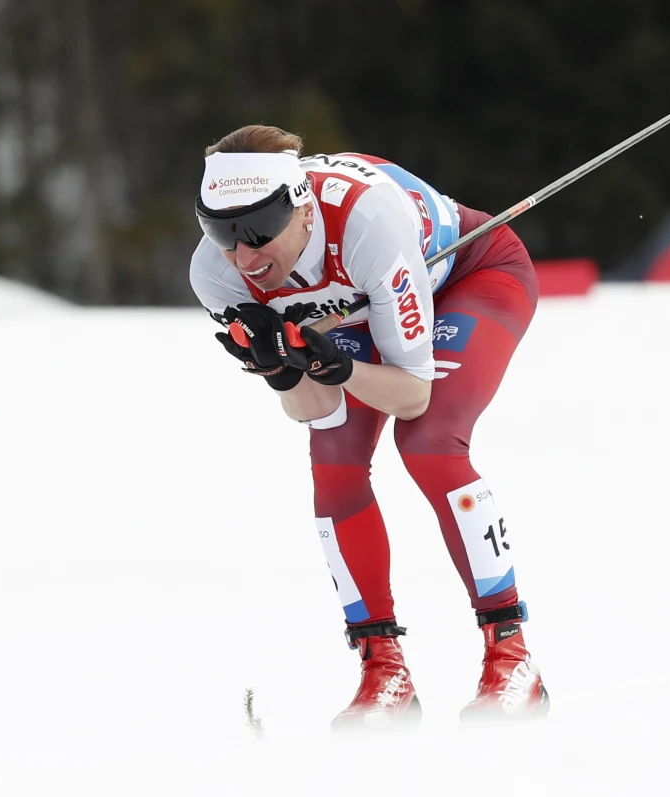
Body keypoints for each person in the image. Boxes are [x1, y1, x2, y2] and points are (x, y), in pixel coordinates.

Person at [188, 125, 548, 729]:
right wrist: (284, 367)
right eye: (221, 232)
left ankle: (512, 657)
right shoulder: (218, 276)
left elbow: (411, 396)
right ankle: (384, 670)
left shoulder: (366, 224)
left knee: (430, 442)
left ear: (300, 206)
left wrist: (336, 363)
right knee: (333, 462)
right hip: (356, 307)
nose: (244, 255)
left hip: (469, 275)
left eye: (255, 230)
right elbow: (312, 410)